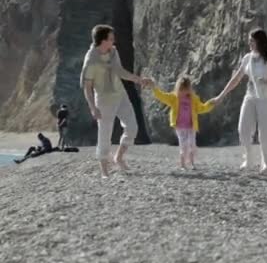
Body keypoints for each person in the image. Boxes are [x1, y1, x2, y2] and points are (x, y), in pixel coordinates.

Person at [80, 24, 153, 178]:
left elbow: (120, 71)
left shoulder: (113, 52)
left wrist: (139, 80)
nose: (114, 41)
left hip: (121, 95)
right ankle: (104, 169)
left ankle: (118, 157)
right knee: (105, 135)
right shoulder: (91, 60)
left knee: (132, 127)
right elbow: (87, 87)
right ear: (102, 41)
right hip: (104, 100)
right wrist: (93, 107)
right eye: (111, 39)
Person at [212, 28, 267, 174]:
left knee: (265, 134)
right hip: (250, 96)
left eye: (252, 40)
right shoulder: (247, 59)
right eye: (249, 40)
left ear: (259, 41)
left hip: (266, 99)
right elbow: (236, 79)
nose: (249, 43)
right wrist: (221, 96)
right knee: (243, 129)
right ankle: (248, 159)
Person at [150, 76, 215, 170]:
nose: (183, 92)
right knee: (183, 145)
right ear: (178, 88)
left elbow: (201, 108)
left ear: (189, 89)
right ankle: (183, 164)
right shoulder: (173, 97)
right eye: (181, 89)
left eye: (186, 89)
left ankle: (192, 163)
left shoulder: (194, 99)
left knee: (192, 144)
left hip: (191, 126)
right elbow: (162, 96)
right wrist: (154, 87)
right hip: (180, 127)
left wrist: (210, 104)